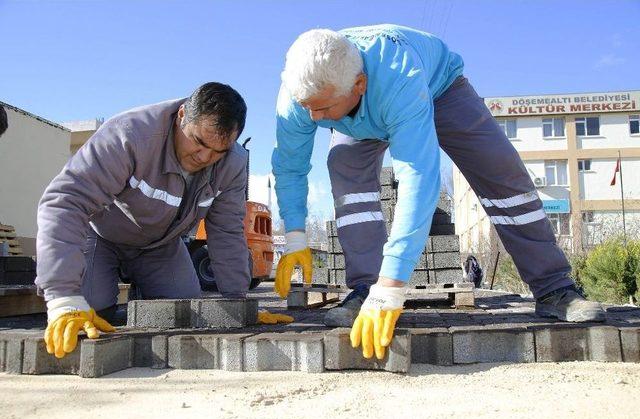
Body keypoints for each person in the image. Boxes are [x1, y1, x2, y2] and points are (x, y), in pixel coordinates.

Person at [271, 25, 605, 360]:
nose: (314, 118)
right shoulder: (300, 97)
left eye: (323, 108)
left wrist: (393, 287)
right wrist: (297, 236)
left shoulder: (398, 74)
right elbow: (289, 166)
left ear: (359, 85)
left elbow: (419, 177)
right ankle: (363, 289)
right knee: (344, 168)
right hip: (361, 114)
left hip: (439, 89)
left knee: (500, 170)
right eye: (308, 107)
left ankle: (554, 289)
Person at [37, 82, 277, 359]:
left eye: (218, 151)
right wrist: (63, 297)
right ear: (182, 115)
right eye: (198, 142)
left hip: (159, 247)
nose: (205, 157)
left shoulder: (233, 164)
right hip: (102, 237)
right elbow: (66, 201)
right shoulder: (129, 135)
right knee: (91, 310)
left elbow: (226, 230)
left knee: (185, 309)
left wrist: (238, 303)